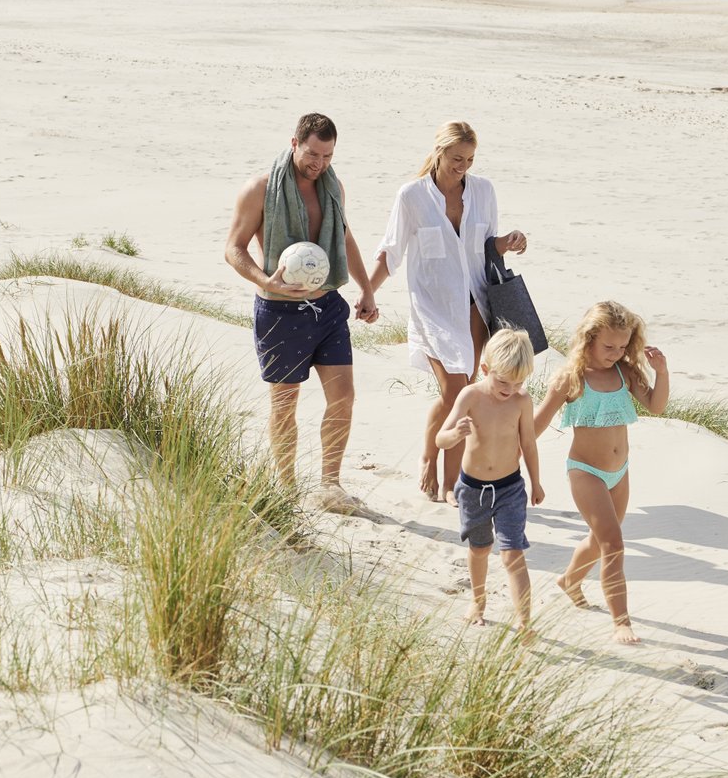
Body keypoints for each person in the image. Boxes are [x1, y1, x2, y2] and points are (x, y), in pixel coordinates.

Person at [225, 112, 379, 514]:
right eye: (313, 154)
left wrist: (366, 288)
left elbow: (343, 236)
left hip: (327, 306)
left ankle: (330, 485)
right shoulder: (259, 189)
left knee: (344, 398)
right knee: (284, 403)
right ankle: (286, 488)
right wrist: (267, 281)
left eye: (328, 156)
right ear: (294, 143)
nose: (319, 164)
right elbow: (234, 248)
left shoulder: (333, 187)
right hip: (280, 313)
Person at [368, 121, 527, 504]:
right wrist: (367, 293)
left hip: (476, 306)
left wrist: (506, 242)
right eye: (457, 158)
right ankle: (449, 476)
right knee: (457, 391)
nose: (463, 167)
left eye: (470, 159)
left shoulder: (484, 191)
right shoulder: (412, 196)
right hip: (432, 307)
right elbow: (391, 251)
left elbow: (485, 246)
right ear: (439, 152)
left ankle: (439, 466)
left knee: (458, 391)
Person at [533, 301, 669, 645]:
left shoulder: (626, 372)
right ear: (588, 338)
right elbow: (535, 426)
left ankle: (569, 581)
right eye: (609, 346)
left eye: (623, 346)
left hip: (619, 472)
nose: (616, 352)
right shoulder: (571, 378)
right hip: (586, 472)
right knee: (613, 543)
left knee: (599, 541)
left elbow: (656, 405)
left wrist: (662, 372)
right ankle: (621, 622)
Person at [436, 328, 545, 633]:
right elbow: (441, 439)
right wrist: (455, 433)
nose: (510, 389)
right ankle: (478, 601)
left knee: (512, 552)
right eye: (503, 381)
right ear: (485, 369)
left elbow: (529, 444)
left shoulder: (521, 401)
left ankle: (525, 621)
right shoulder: (470, 395)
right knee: (480, 549)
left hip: (510, 488)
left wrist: (536, 482)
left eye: (519, 382)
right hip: (473, 490)